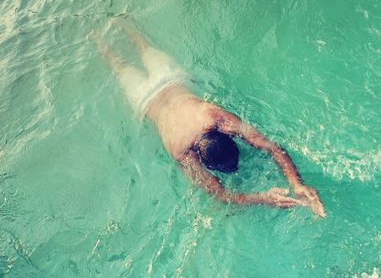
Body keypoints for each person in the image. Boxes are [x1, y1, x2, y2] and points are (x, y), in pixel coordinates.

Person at [94, 20, 326, 217]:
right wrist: (272, 193)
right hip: (147, 96)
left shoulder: (208, 119)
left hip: (168, 80)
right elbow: (227, 188)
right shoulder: (184, 145)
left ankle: (107, 30)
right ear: (226, 132)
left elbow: (222, 194)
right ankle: (104, 33)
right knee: (125, 59)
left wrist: (290, 186)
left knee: (129, 54)